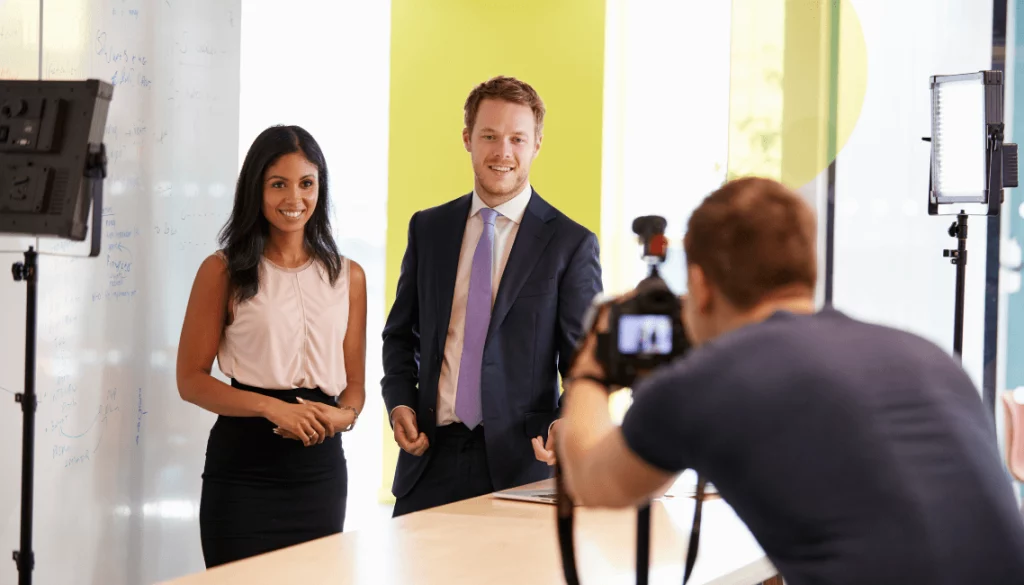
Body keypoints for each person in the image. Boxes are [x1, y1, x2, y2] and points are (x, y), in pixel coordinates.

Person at [557, 177, 1024, 584]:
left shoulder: (712, 380)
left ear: (699, 285)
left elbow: (596, 484)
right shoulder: (927, 356)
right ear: (807, 270)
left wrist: (591, 366)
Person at [382, 75, 603, 516]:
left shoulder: (570, 244)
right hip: (428, 460)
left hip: (521, 468)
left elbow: (584, 362)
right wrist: (400, 401)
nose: (503, 152)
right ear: (467, 139)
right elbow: (400, 335)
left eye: (517, 138)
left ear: (537, 144)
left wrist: (568, 421)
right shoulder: (428, 229)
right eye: (489, 136)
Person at [176, 125, 367, 567]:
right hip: (244, 472)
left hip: (319, 471)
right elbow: (190, 381)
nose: (293, 199)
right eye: (277, 184)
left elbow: (354, 383)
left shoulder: (348, 276)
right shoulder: (221, 271)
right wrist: (271, 408)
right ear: (256, 191)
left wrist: (345, 416)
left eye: (306, 184)